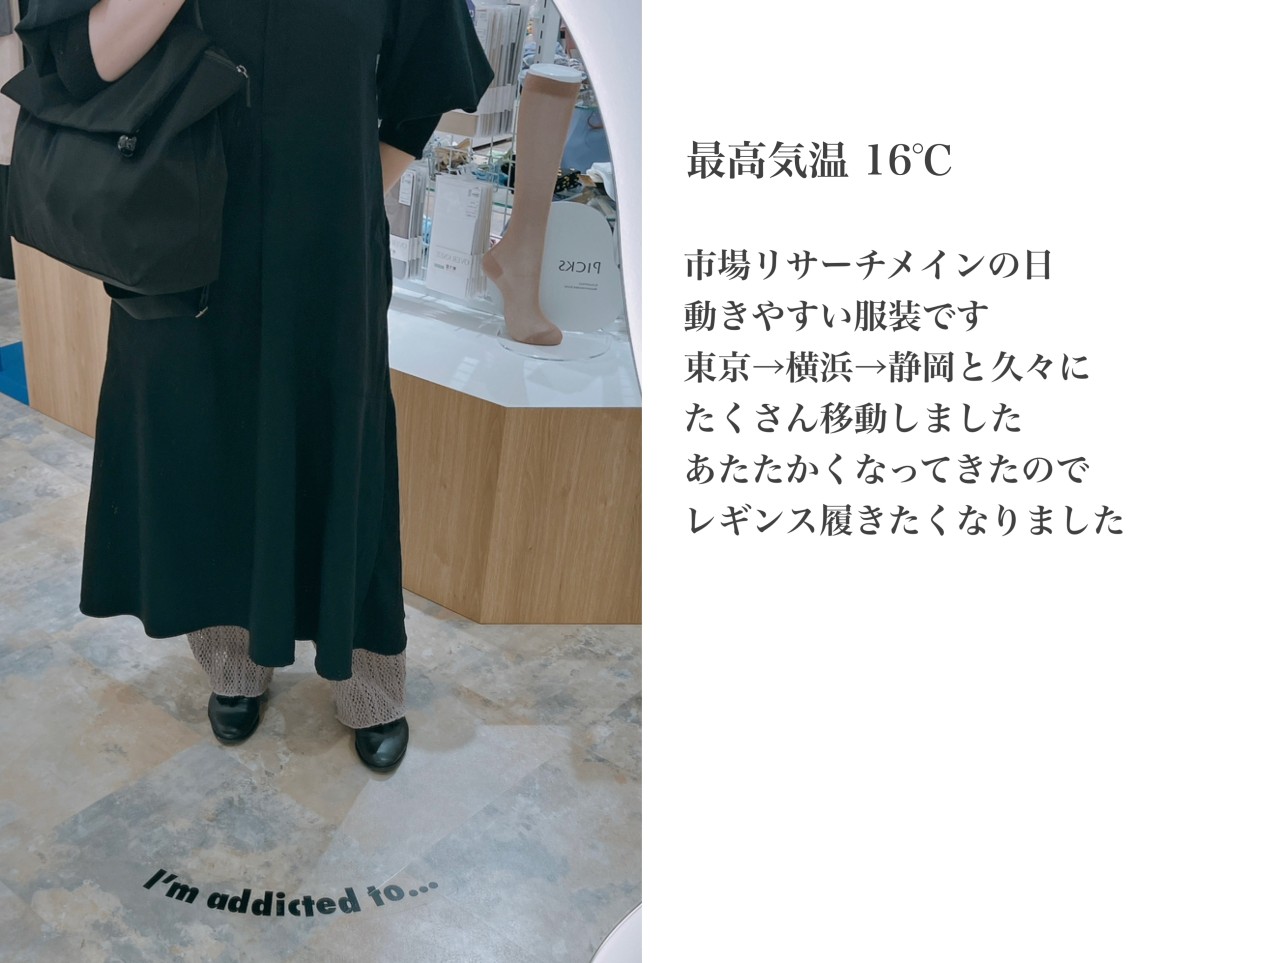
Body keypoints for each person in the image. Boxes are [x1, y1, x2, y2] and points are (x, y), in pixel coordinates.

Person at [9, 0, 493, 771]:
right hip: (174, 240)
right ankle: (231, 661)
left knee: (342, 448)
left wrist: (349, 192)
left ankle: (370, 678)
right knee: (204, 448)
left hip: (325, 252)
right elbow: (77, 63)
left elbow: (427, 77)